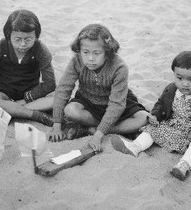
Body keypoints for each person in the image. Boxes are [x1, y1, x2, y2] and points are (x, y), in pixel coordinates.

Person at [110, 51, 191, 181]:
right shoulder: (171, 89)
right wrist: (155, 115)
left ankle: (184, 164)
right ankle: (135, 146)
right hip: (172, 125)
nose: (185, 83)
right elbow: (160, 104)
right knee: (152, 129)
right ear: (174, 74)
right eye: (179, 78)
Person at [48, 24, 148, 152]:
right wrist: (56, 125)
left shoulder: (119, 67)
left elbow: (117, 104)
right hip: (88, 101)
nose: (90, 58)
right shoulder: (76, 61)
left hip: (117, 103)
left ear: (107, 51)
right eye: (85, 52)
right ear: (79, 50)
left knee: (143, 118)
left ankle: (92, 129)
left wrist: (98, 135)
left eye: (97, 53)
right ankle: (115, 128)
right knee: (70, 110)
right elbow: (63, 89)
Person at [0, 9, 56, 126]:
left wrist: (25, 99)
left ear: (36, 36)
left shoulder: (41, 50)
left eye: (28, 39)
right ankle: (35, 115)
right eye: (17, 39)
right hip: (3, 94)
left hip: (29, 96)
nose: (23, 44)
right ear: (9, 36)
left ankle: (13, 110)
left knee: (57, 99)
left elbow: (50, 83)